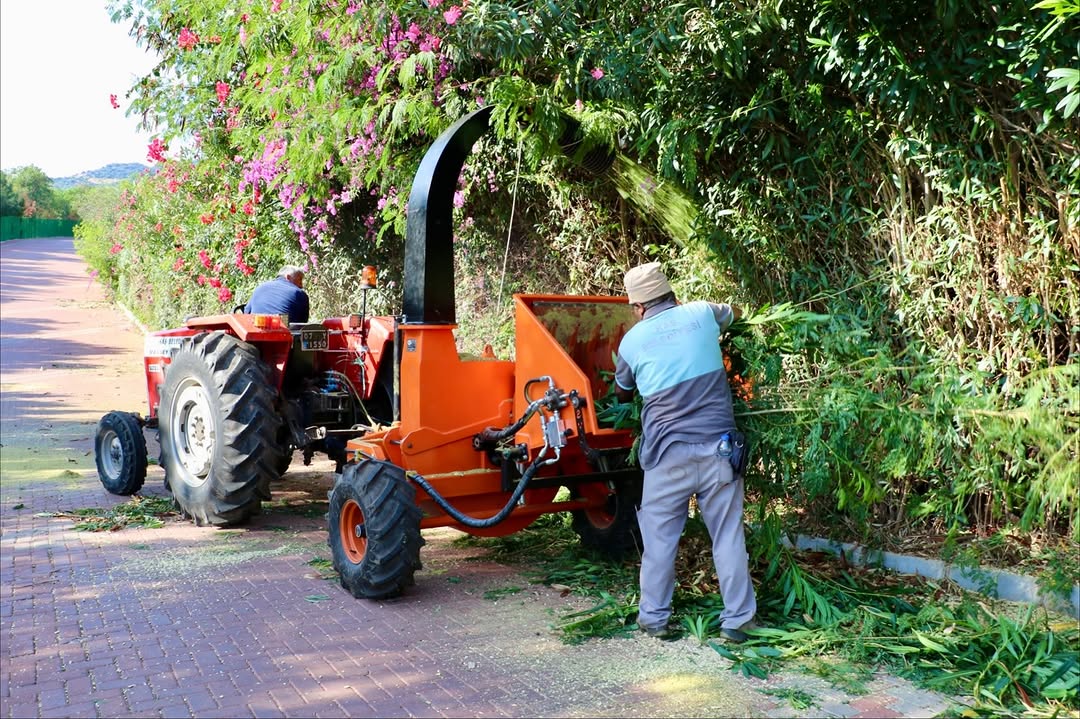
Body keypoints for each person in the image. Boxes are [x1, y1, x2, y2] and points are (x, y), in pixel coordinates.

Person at [614, 261, 758, 642]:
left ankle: (654, 618)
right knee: (727, 536)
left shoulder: (632, 341)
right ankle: (738, 621)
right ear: (672, 295)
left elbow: (621, 392)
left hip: (666, 455)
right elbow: (735, 314)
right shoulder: (702, 312)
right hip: (719, 452)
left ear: (638, 308)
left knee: (660, 541)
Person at [244, 265, 310, 324]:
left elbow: (246, 313)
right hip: (284, 334)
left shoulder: (260, 287)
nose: (301, 286)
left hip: (256, 332)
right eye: (299, 280)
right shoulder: (299, 293)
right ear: (288, 277)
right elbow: (302, 323)